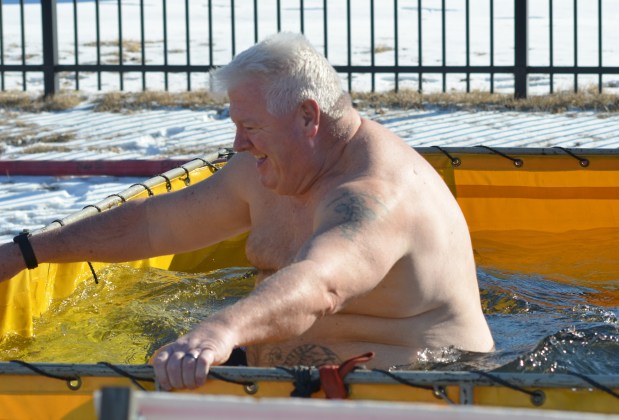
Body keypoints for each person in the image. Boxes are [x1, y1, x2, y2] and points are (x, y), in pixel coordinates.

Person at [0, 32, 494, 390]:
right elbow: (155, 225)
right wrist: (24, 252)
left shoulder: (377, 195)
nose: (238, 143)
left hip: (422, 394)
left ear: (307, 116)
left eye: (251, 127)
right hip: (285, 386)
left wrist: (217, 331)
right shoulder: (270, 169)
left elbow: (320, 285)